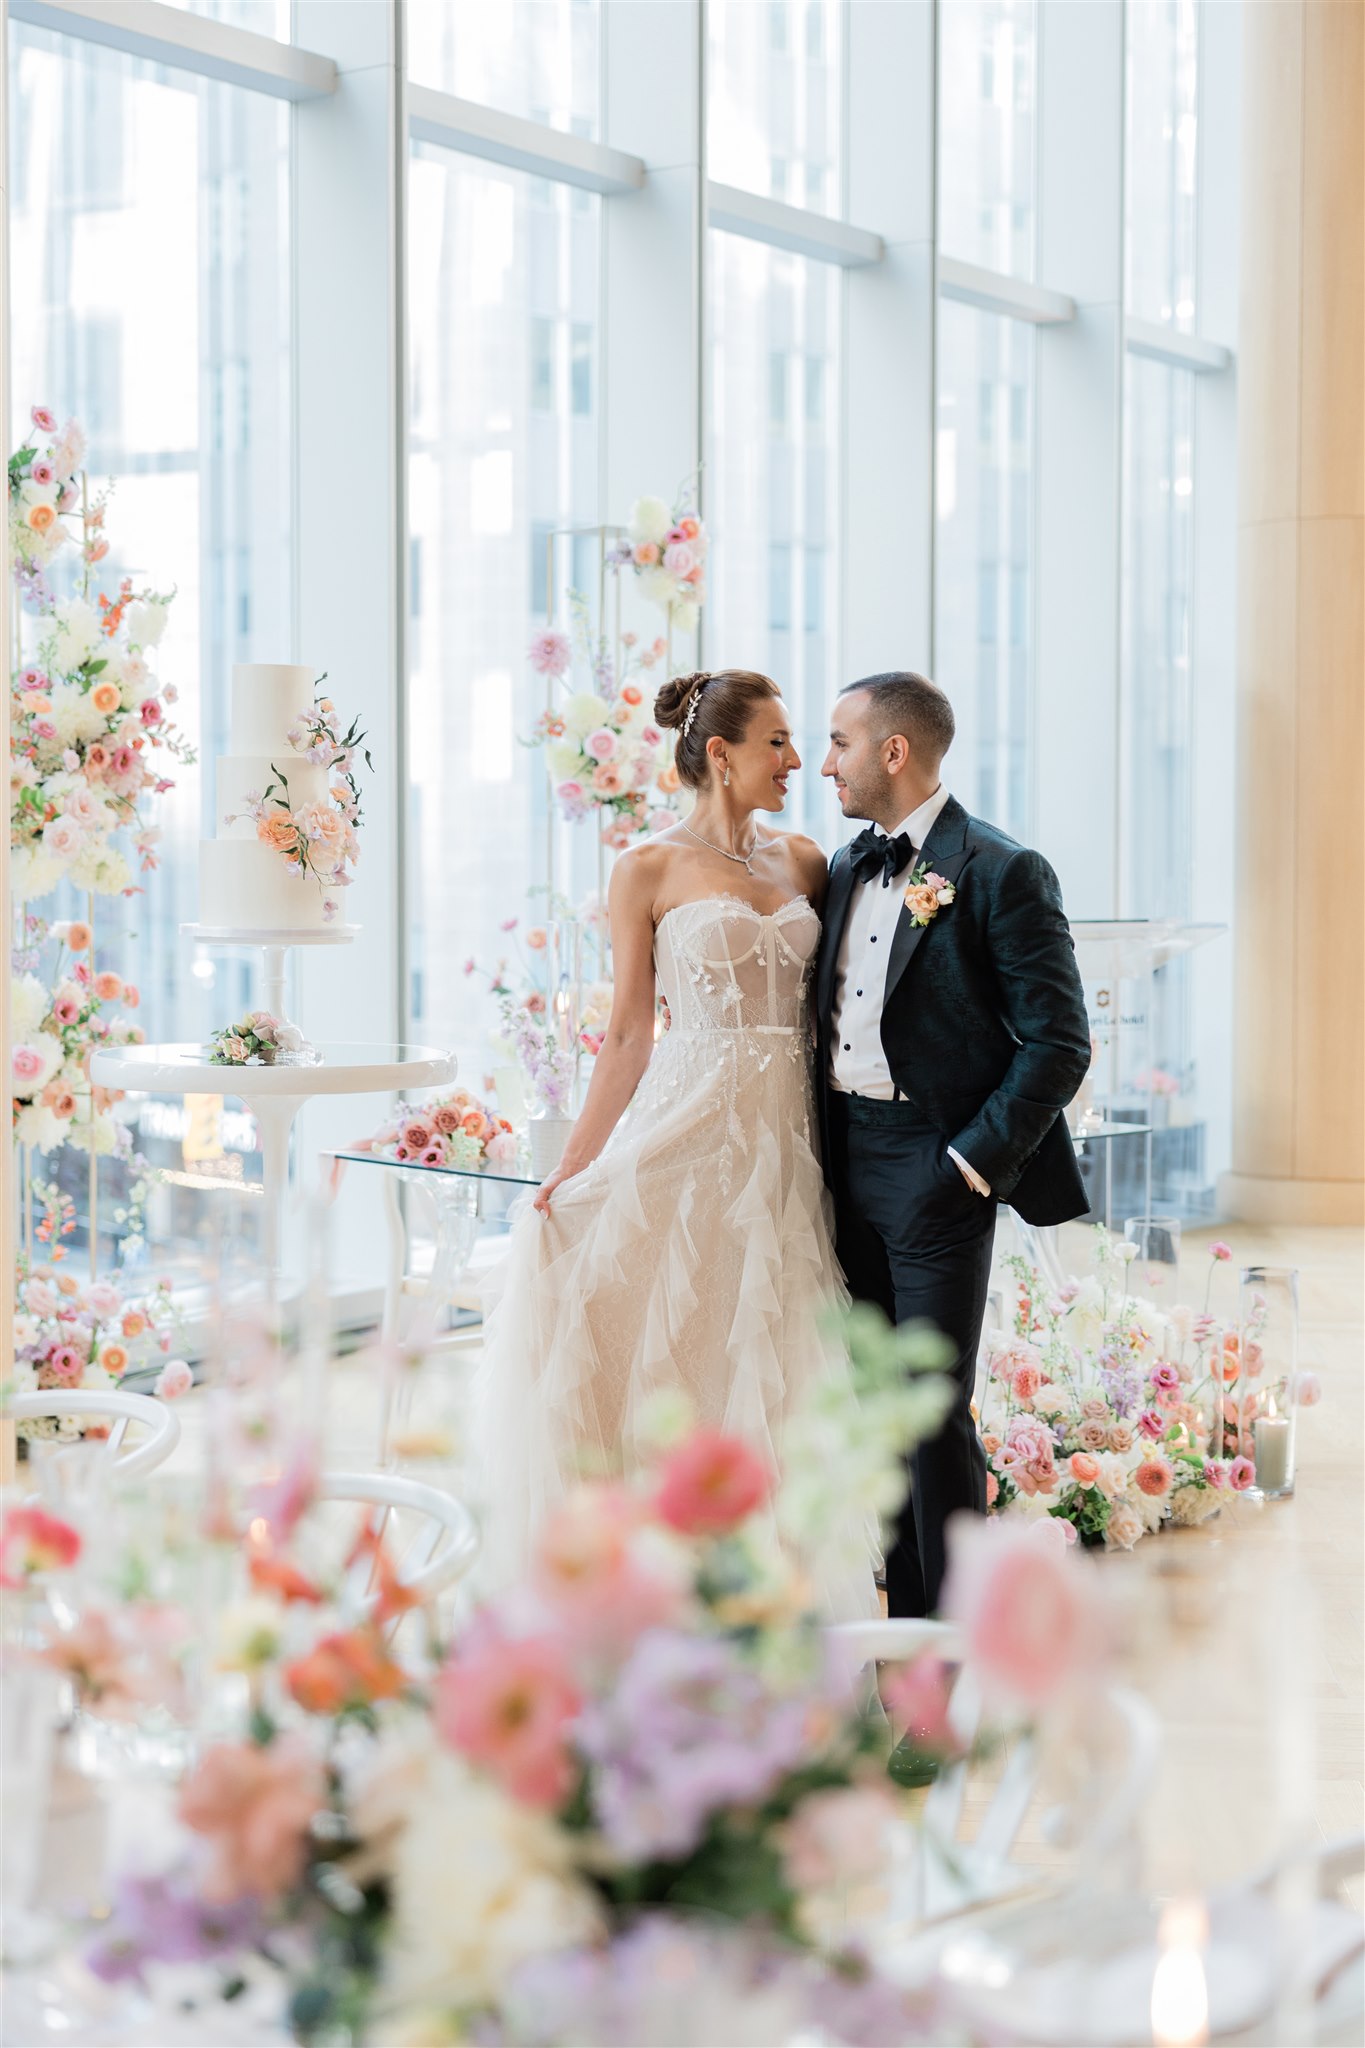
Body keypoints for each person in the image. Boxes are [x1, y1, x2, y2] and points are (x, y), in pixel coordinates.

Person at [471, 668, 877, 1620]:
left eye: (796, 742)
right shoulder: (645, 869)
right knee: (664, 1339)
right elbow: (625, 1032)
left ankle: (770, 1604)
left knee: (766, 1360)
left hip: (787, 1149)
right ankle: (640, 1588)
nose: (794, 761)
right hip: (686, 1131)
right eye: (776, 741)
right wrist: (573, 1165)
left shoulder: (809, 862)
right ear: (721, 753)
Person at [816, 670, 1091, 1618]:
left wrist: (967, 1164)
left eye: (839, 743)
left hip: (938, 1165)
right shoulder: (846, 864)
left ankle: (946, 1659)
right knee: (872, 1413)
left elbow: (1059, 1041)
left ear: (893, 750)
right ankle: (897, 1626)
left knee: (931, 1414)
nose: (824, 764)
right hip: (837, 1164)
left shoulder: (1002, 869)